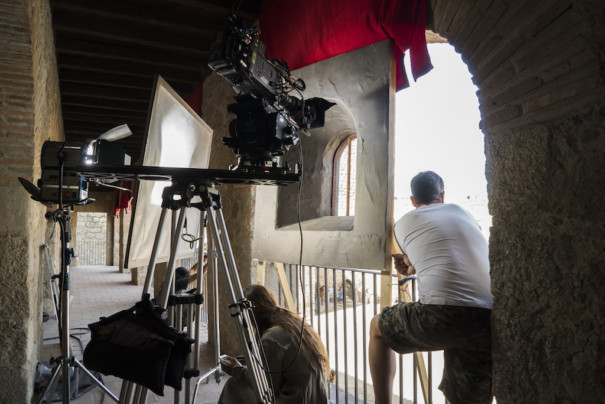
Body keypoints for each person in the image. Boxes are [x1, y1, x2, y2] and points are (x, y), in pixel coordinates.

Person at [369, 171, 493, 404]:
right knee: (465, 397)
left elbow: (414, 257)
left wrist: (408, 264)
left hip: (441, 316)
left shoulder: (404, 222)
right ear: (442, 195)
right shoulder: (464, 214)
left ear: (413, 201)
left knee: (377, 328)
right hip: (487, 317)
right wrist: (411, 265)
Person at [218, 284, 330, 404]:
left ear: (250, 315)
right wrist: (255, 363)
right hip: (317, 399)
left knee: (234, 385)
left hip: (295, 399)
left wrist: (237, 369)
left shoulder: (271, 338)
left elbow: (268, 386)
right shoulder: (294, 323)